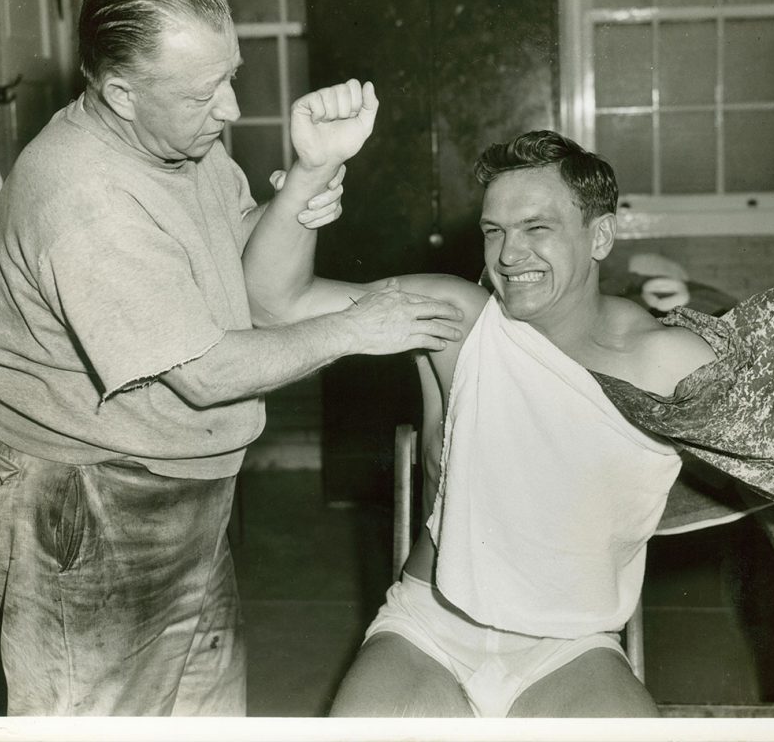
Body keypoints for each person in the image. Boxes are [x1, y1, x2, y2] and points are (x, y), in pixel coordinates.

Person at [0, 0, 464, 717]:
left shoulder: (185, 139)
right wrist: (354, 328)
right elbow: (205, 372)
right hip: (90, 498)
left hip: (184, 484)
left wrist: (306, 176)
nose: (232, 108)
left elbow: (259, 293)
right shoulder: (83, 198)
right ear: (121, 95)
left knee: (204, 716)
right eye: (207, 91)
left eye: (230, 75)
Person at [244, 126, 719, 717]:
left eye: (536, 229)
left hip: (569, 646)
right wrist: (311, 174)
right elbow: (273, 304)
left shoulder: (665, 359)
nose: (509, 255)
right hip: (429, 631)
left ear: (599, 235)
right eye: (494, 231)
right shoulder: (459, 321)